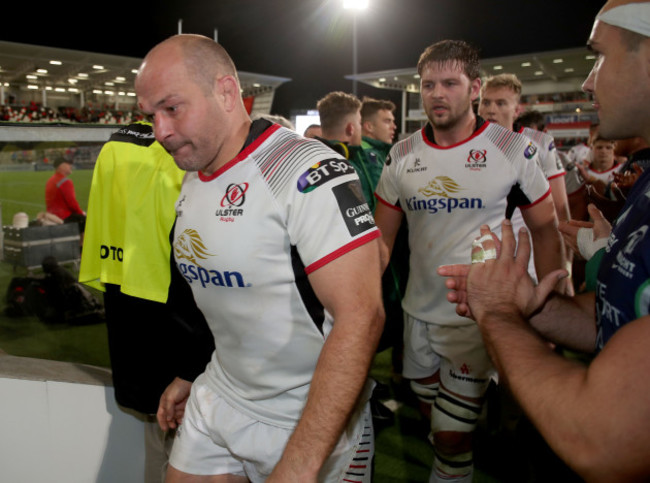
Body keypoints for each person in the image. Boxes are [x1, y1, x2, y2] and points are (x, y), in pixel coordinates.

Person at [135, 34, 384, 482]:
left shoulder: (307, 172)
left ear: (227, 92)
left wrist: (302, 461)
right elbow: (215, 288)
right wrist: (191, 373)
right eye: (151, 116)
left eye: (172, 108)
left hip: (310, 422)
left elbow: (361, 316)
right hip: (221, 398)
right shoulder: (195, 174)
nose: (161, 131)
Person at [438, 1, 650, 480]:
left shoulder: (532, 150)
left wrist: (497, 315)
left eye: (599, 56)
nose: (588, 82)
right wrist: (530, 307)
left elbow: (603, 438)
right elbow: (615, 319)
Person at [373, 39, 565, 483]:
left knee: (450, 437)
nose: (437, 93)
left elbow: (545, 229)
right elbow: (382, 243)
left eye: (450, 83)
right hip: (417, 315)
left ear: (475, 87)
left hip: (477, 318)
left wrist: (549, 304)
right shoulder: (401, 155)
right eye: (428, 85)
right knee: (434, 420)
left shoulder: (512, 150)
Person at [78, 121, 215, 482]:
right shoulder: (183, 146)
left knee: (159, 442)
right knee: (196, 450)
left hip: (129, 312)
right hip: (182, 320)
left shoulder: (116, 144)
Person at [479, 73, 571, 283]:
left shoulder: (539, 143)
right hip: (481, 257)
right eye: (486, 102)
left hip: (529, 260)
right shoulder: (464, 145)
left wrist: (566, 268)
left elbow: (560, 207)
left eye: (501, 103)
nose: (491, 109)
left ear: (517, 110)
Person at [44, 157, 86, 231]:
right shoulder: (65, 181)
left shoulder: (50, 180)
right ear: (62, 166)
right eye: (68, 164)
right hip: (64, 217)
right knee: (88, 221)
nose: (71, 166)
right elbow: (72, 204)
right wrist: (81, 213)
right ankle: (82, 241)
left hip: (52, 215)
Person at [360, 96, 397, 163]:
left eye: (393, 121)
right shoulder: (365, 154)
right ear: (369, 127)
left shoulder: (380, 152)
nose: (394, 127)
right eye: (387, 121)